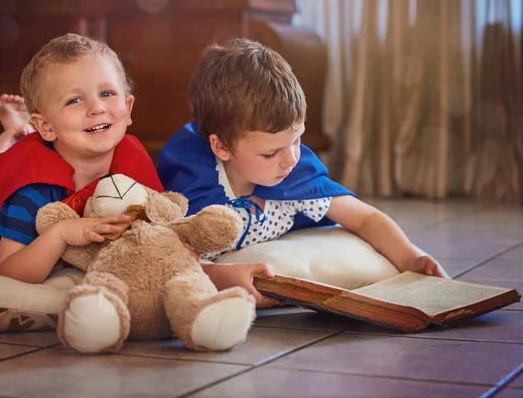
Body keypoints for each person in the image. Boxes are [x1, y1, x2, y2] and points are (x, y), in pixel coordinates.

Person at [158, 38, 449, 307]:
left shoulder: (294, 168)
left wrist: (412, 259)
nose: (290, 160)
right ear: (221, 147)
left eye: (297, 140)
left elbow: (364, 218)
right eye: (270, 153)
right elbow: (170, 258)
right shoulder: (193, 185)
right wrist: (221, 277)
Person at [0, 34, 163, 284]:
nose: (97, 108)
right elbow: (5, 270)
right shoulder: (35, 187)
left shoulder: (133, 160)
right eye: (75, 100)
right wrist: (59, 234)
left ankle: (14, 132)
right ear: (46, 127)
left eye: (106, 93)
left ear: (128, 109)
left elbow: (165, 225)